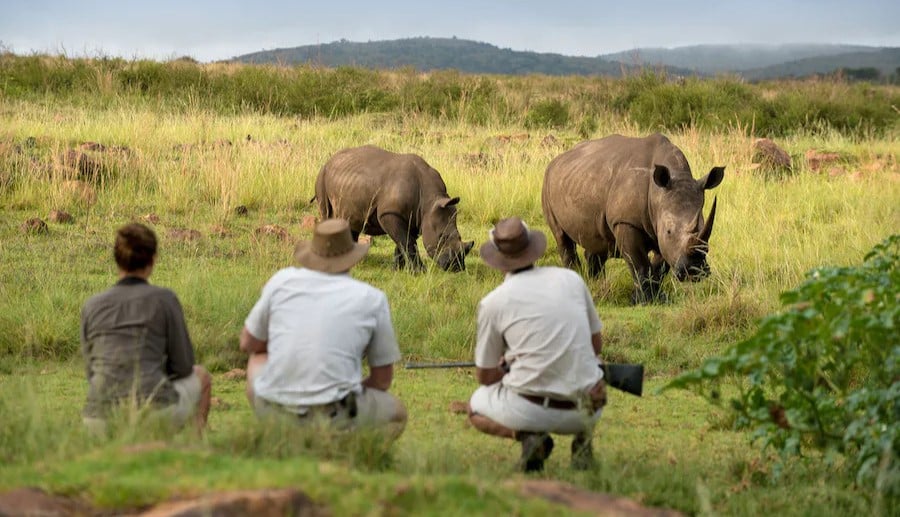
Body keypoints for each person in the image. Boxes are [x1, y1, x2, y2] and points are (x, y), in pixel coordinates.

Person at [240, 218, 407, 440]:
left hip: (273, 407)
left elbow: (248, 343)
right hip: (337, 413)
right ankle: (357, 453)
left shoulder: (281, 281)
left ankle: (277, 434)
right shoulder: (372, 298)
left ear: (313, 253)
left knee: (258, 356)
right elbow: (382, 381)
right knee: (397, 413)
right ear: (352, 258)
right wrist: (342, 389)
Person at [468, 217, 607, 472]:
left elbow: (485, 377)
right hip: (585, 411)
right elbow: (595, 347)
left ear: (497, 260)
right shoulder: (571, 279)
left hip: (529, 410)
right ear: (533, 249)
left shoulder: (493, 302)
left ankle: (529, 438)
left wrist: (505, 367)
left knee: (475, 408)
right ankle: (583, 440)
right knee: (595, 368)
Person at [81, 223, 212, 434]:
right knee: (202, 376)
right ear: (152, 260)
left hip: (97, 418)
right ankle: (192, 450)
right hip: (153, 412)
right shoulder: (165, 299)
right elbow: (184, 366)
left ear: (117, 260)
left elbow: (91, 371)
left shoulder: (92, 305)